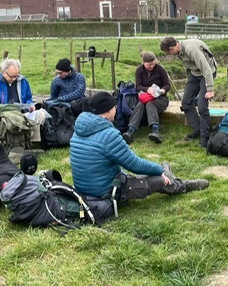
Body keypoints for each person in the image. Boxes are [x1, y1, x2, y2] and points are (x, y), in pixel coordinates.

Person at [69, 91, 209, 223]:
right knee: (157, 181)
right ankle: (182, 185)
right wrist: (158, 170)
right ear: (108, 110)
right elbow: (135, 164)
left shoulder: (79, 129)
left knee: (135, 175)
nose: (116, 110)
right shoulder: (108, 135)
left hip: (84, 189)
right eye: (115, 107)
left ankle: (166, 172)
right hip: (105, 191)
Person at [160, 36, 217, 147]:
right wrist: (190, 81)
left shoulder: (191, 49)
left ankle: (205, 137)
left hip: (208, 73)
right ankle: (197, 129)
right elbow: (188, 66)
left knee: (202, 107)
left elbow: (206, 69)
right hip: (195, 74)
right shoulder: (179, 52)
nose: (170, 54)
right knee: (186, 103)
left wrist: (210, 89)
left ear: (173, 47)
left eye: (169, 52)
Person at [122, 51, 171, 144]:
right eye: (149, 65)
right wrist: (147, 89)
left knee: (150, 104)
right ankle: (130, 131)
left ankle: (155, 130)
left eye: (153, 64)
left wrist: (162, 90)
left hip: (161, 99)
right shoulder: (139, 70)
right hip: (146, 97)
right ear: (143, 62)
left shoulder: (160, 70)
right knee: (140, 105)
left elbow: (167, 85)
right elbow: (138, 87)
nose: (151, 66)